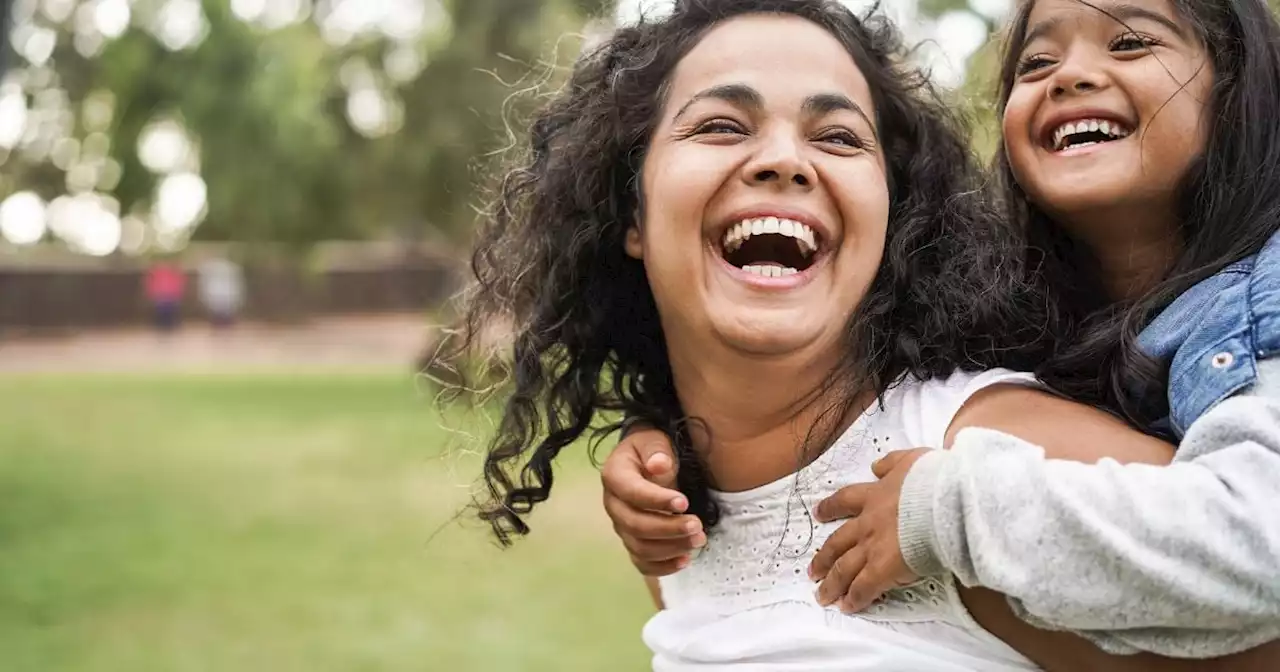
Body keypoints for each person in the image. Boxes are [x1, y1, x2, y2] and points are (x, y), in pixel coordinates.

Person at [450, 0, 1208, 669]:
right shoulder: (674, 507)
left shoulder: (982, 461)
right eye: (720, 125)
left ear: (891, 218)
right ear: (632, 214)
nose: (784, 160)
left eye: (839, 138)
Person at [144, 259, 186, 333]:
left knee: (170, 312)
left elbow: (177, 285)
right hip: (163, 296)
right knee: (162, 313)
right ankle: (163, 326)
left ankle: (168, 326)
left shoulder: (171, 274)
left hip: (169, 296)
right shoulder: (158, 274)